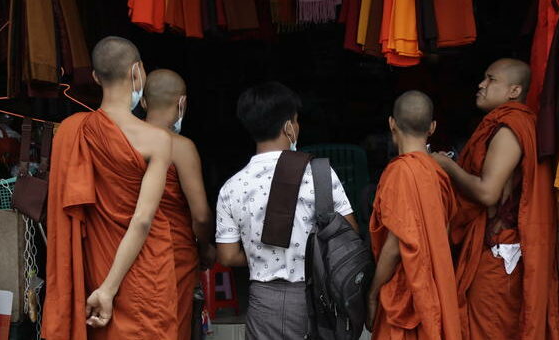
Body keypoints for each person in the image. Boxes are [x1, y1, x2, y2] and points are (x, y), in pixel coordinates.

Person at [43, 36, 179, 339]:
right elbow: (142, 220)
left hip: (95, 268)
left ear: (94, 77)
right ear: (137, 72)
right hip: (143, 273)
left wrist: (102, 286)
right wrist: (109, 290)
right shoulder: (157, 140)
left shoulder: (71, 131)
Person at [431, 59, 559, 340]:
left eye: (491, 79)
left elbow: (488, 192)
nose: (481, 85)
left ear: (514, 91)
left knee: (489, 328)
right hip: (500, 248)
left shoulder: (509, 129)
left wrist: (446, 166)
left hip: (498, 254)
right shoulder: (514, 124)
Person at [215, 82, 359, 340]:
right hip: (317, 299)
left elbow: (227, 256)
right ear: (288, 127)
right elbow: (349, 236)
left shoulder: (231, 187)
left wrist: (261, 253)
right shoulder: (319, 175)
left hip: (263, 301)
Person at [366, 91, 461, 340]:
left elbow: (396, 244)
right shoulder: (438, 171)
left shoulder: (400, 172)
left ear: (391, 123)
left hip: (405, 289)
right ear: (432, 127)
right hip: (435, 283)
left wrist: (373, 292)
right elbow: (444, 231)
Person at [141, 69, 216, 340]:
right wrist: (204, 247)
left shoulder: (123, 142)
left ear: (143, 102)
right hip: (174, 253)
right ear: (182, 103)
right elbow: (201, 216)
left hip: (127, 250)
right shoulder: (181, 147)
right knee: (175, 327)